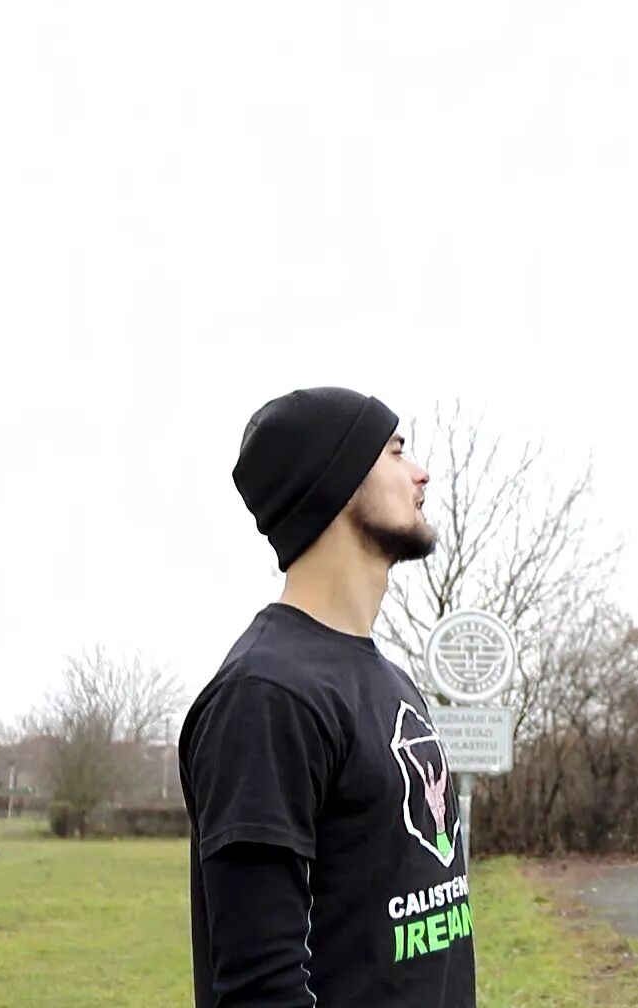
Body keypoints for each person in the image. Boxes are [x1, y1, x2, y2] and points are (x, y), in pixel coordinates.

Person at [180, 386, 475, 1007]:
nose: (421, 473)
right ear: (336, 482)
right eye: (396, 452)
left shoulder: (390, 682)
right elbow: (261, 989)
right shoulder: (266, 696)